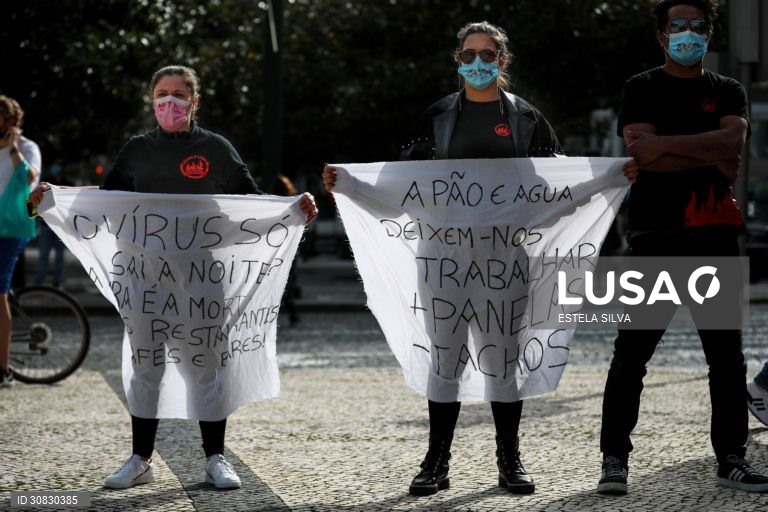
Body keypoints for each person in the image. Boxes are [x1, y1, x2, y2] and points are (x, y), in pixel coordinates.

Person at [30, 65, 318, 489]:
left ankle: (215, 458)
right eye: (162, 94)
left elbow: (251, 202)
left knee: (207, 367)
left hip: (203, 280)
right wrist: (55, 197)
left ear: (194, 101)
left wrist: (294, 208)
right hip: (143, 280)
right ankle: (140, 459)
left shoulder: (216, 149)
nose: (170, 102)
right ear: (152, 100)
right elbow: (106, 203)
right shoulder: (136, 151)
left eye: (179, 94)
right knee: (146, 366)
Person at [323, 21, 561, 496]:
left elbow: (556, 186)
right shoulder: (435, 118)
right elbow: (403, 185)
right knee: (445, 358)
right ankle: (436, 461)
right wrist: (348, 184)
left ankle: (509, 459)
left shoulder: (527, 119)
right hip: (442, 260)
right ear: (458, 61)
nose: (478, 63)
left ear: (502, 61)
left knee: (502, 359)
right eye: (469, 55)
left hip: (504, 260)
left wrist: (612, 177)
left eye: (488, 55)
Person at [597, 0, 768, 495]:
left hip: (715, 238)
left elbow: (731, 146)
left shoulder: (728, 90)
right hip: (653, 237)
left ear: (709, 35)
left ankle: (731, 458)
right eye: (679, 26)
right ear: (661, 35)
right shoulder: (641, 87)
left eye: (698, 26)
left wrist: (667, 147)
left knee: (726, 358)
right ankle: (614, 459)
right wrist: (704, 149)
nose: (688, 34)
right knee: (631, 354)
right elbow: (642, 156)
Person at [0, 95, 41, 388]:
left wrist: (12, 148)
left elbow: (29, 180)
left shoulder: (25, 147)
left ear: (10, 121)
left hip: (13, 228)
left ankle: (3, 370)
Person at [34, 165, 71, 288]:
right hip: (46, 226)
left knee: (59, 257)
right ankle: (39, 282)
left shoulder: (68, 184)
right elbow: (36, 204)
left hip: (61, 227)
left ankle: (57, 282)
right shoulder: (46, 182)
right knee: (43, 255)